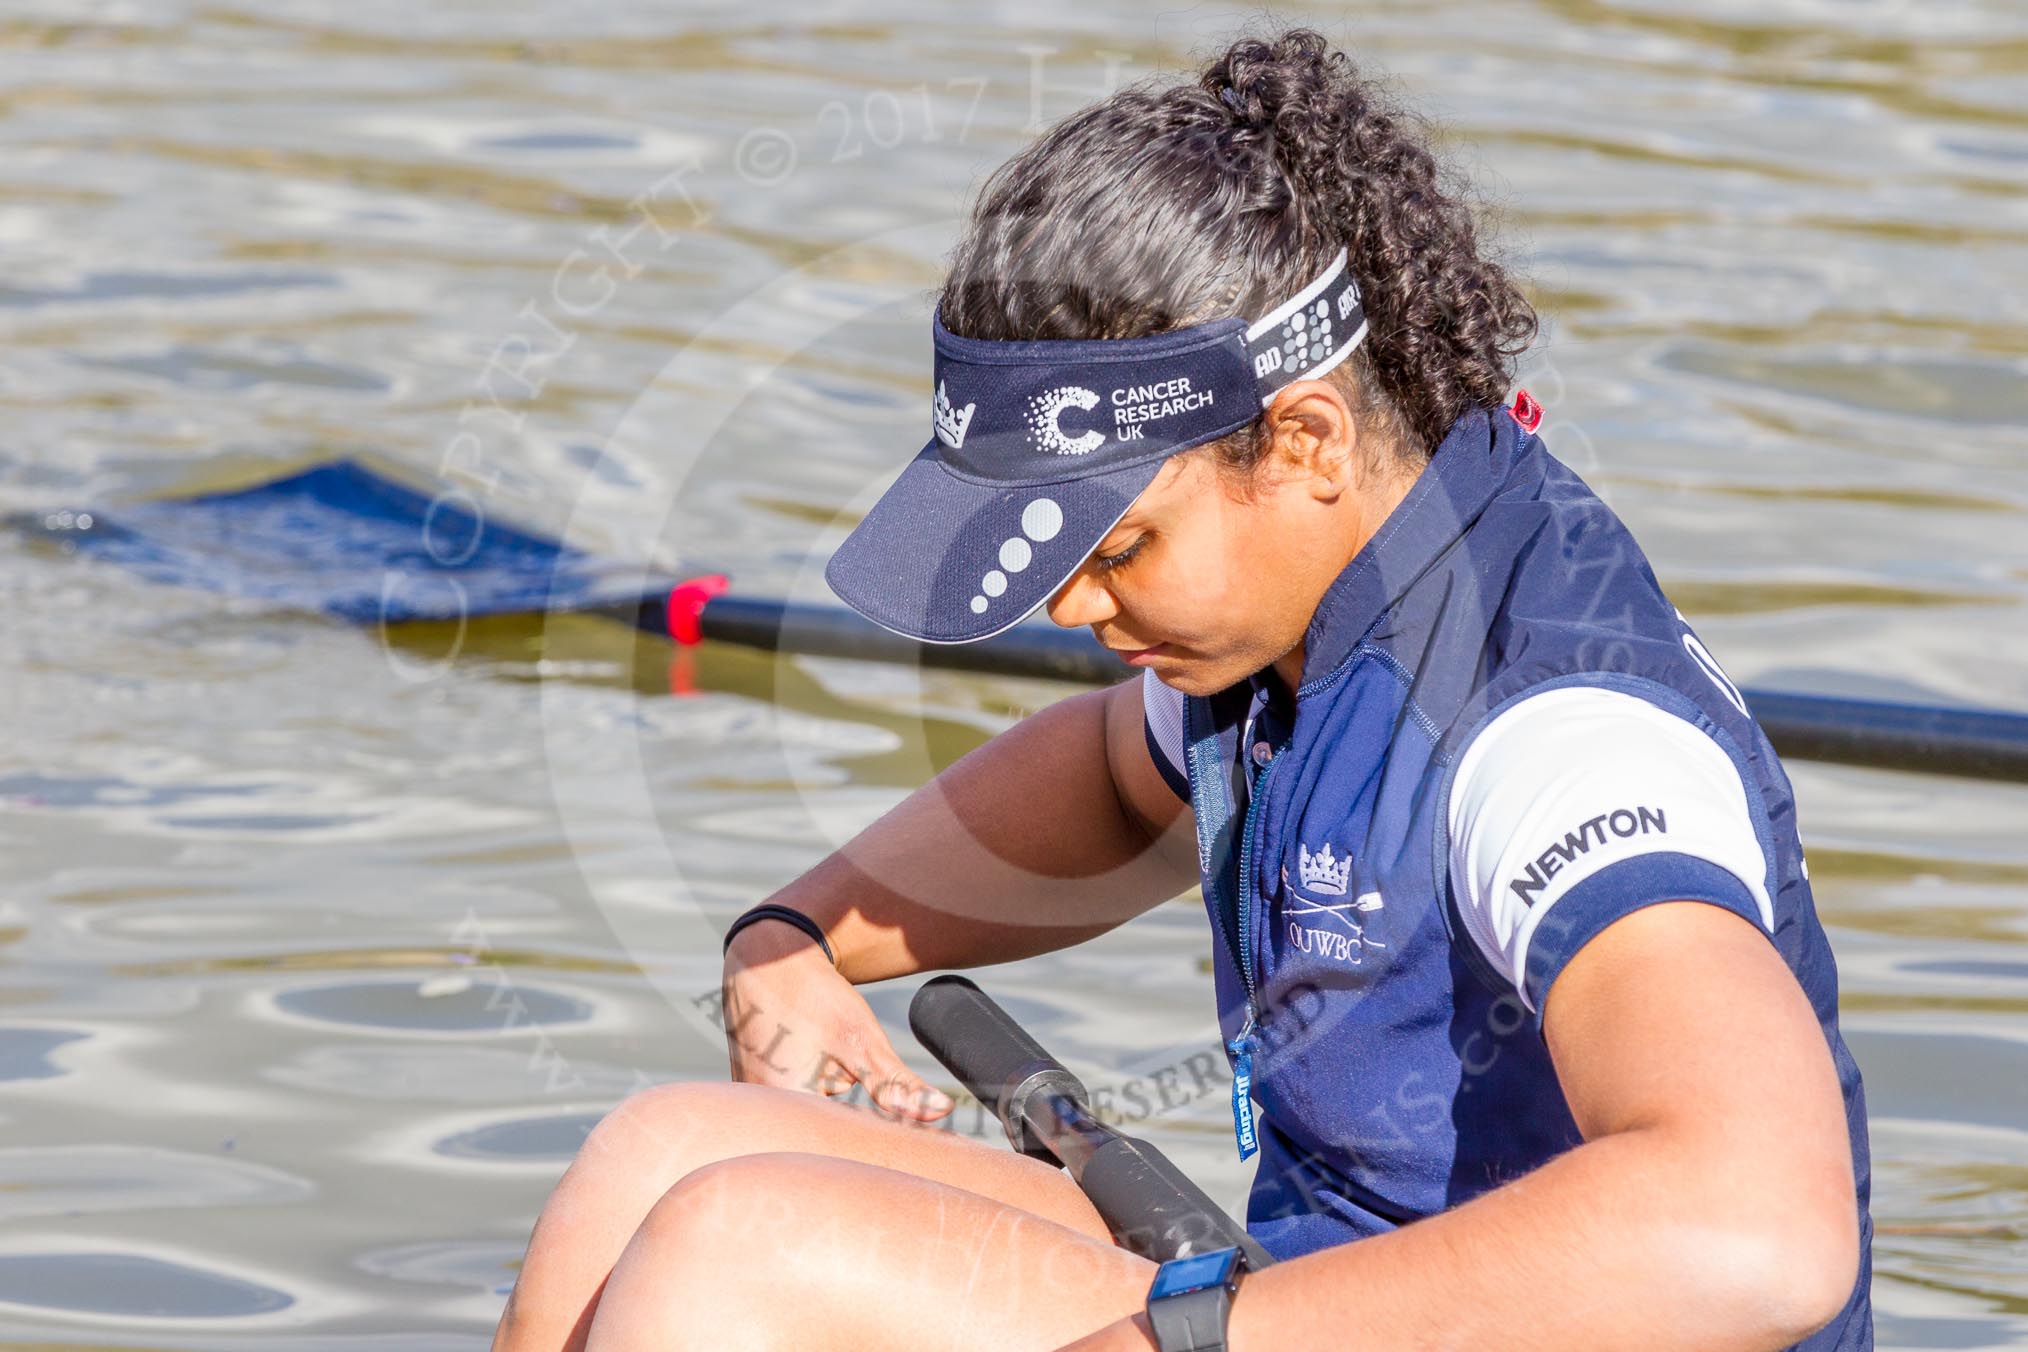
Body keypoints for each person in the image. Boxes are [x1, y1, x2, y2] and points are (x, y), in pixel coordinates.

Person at [492, 27, 1871, 1352]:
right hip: (1314, 1285)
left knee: (735, 1258)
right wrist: (795, 935)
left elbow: (1760, 1235)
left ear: (1303, 437)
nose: (1077, 610)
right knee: (660, 1157)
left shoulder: (1559, 736)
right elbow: (1108, 781)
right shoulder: (1297, 607)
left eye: (1118, 548)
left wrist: (1207, 1336)